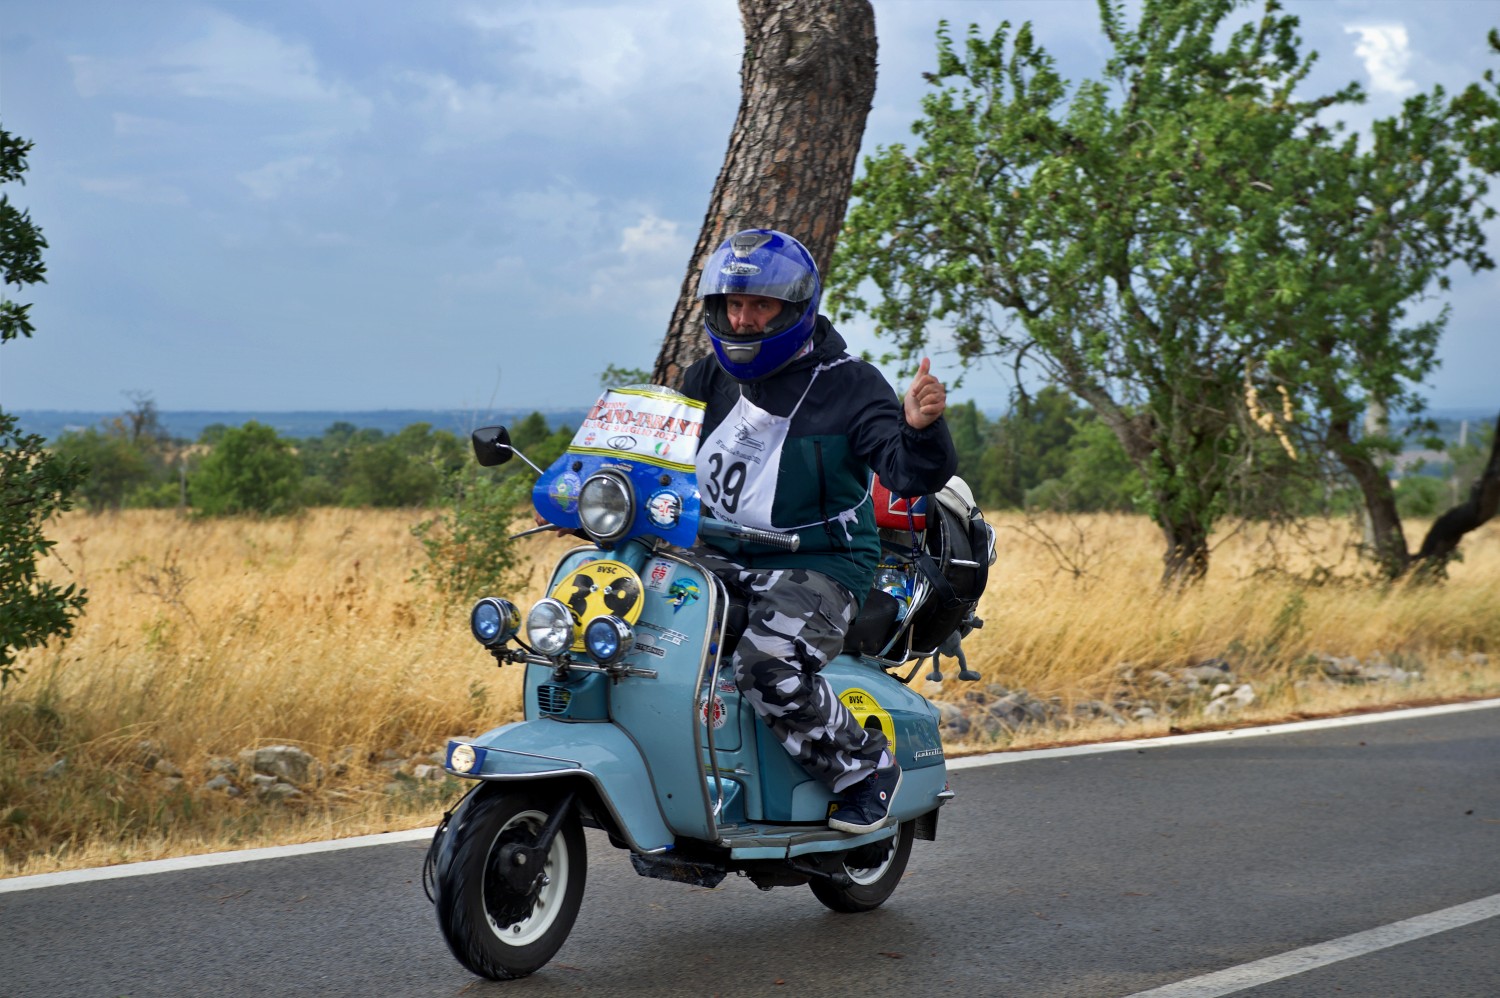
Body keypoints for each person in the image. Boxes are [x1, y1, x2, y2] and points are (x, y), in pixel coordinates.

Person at [681, 228, 957, 834]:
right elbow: (657, 451)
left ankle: (865, 769)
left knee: (766, 661)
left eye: (760, 306)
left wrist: (920, 428)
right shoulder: (710, 379)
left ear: (794, 309)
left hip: (821, 563)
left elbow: (910, 474)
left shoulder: (848, 385)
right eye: (734, 304)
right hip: (718, 553)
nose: (744, 319)